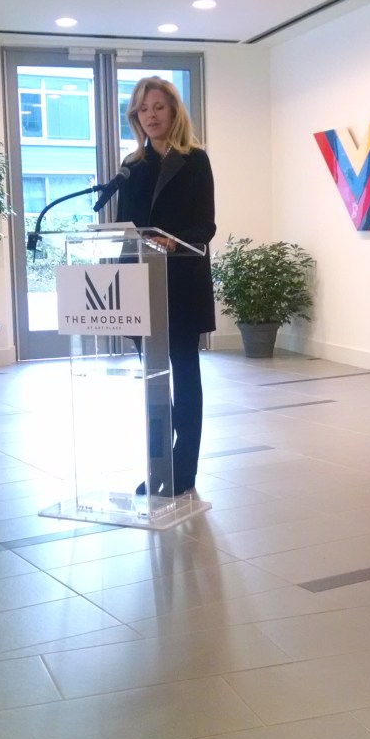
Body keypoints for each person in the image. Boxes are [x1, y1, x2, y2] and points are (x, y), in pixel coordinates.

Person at [116, 76, 216, 497]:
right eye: (143, 109)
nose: (150, 115)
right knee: (154, 380)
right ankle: (161, 463)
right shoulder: (131, 167)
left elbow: (206, 226)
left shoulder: (195, 160)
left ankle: (184, 467)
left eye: (158, 106)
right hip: (142, 286)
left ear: (174, 111)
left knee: (185, 372)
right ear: (135, 116)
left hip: (183, 283)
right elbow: (124, 230)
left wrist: (175, 240)